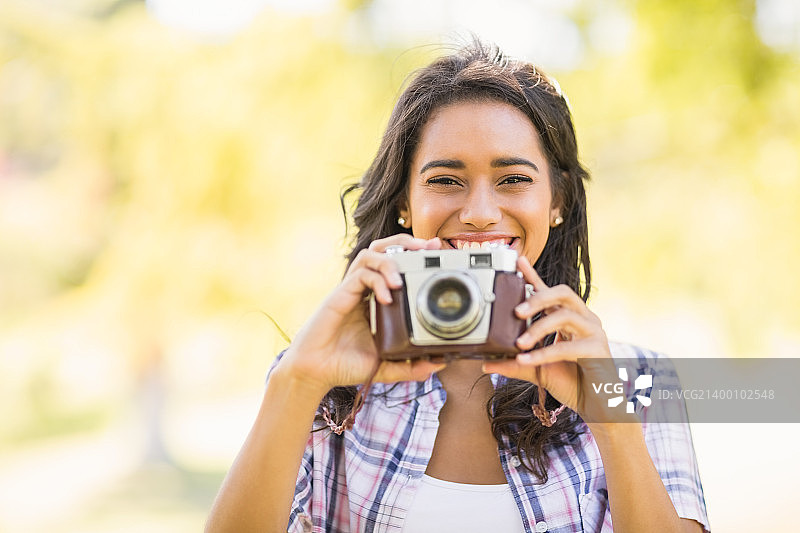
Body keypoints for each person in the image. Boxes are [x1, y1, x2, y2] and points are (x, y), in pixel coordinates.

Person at [205, 41, 710, 533]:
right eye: (446, 180)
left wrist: (611, 420)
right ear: (405, 203)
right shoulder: (319, 377)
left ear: (556, 202)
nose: (480, 213)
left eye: (513, 179)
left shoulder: (640, 381)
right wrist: (298, 382)